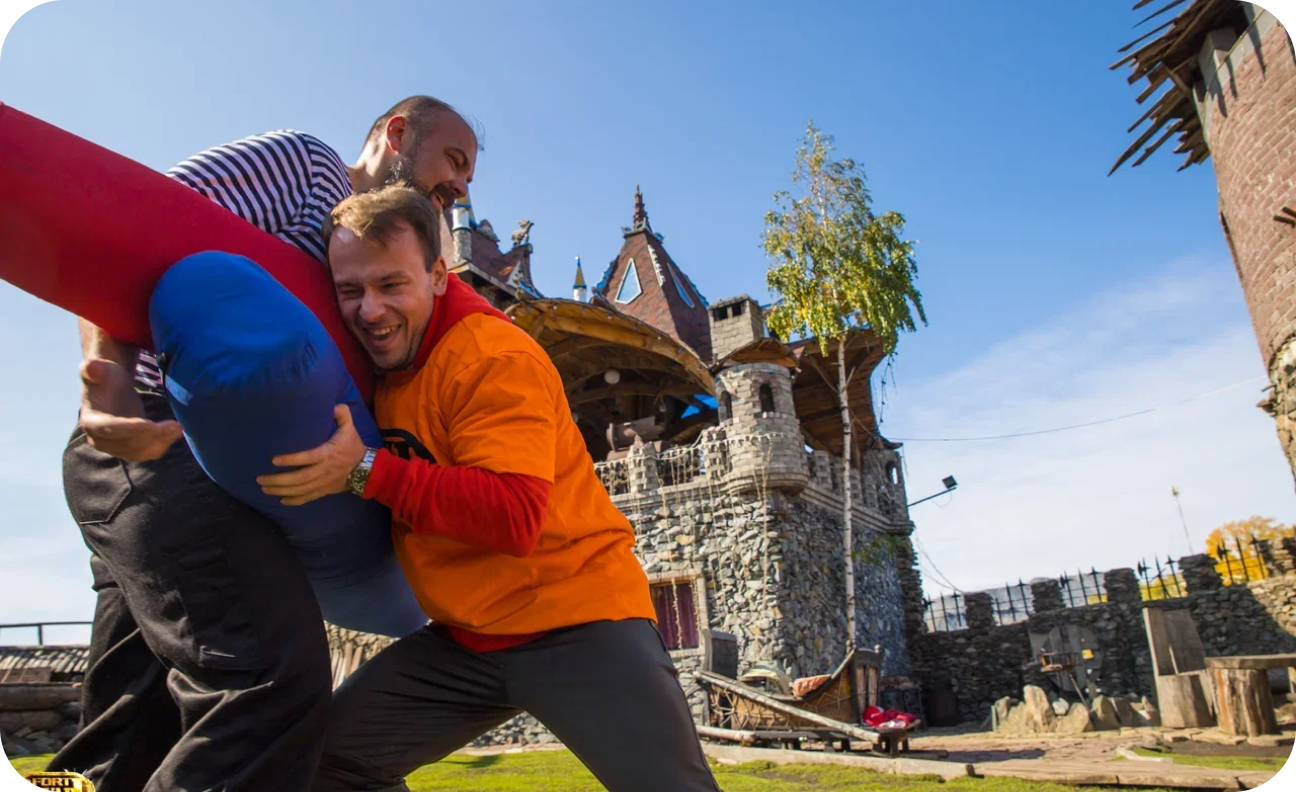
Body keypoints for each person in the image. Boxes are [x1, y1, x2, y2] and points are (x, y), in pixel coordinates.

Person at [50, 96, 479, 792]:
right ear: (397, 134)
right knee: (269, 680)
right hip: (157, 438)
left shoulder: (392, 267)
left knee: (127, 735)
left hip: (229, 480)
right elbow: (124, 220)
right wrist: (108, 375)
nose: (460, 185)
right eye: (453, 160)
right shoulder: (307, 170)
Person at [256, 185, 723, 792]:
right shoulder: (387, 358)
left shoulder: (491, 357)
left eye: (391, 284)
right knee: (326, 760)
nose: (369, 310)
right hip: (468, 638)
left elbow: (512, 515)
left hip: (579, 621)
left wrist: (367, 470)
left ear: (438, 276)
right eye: (350, 291)